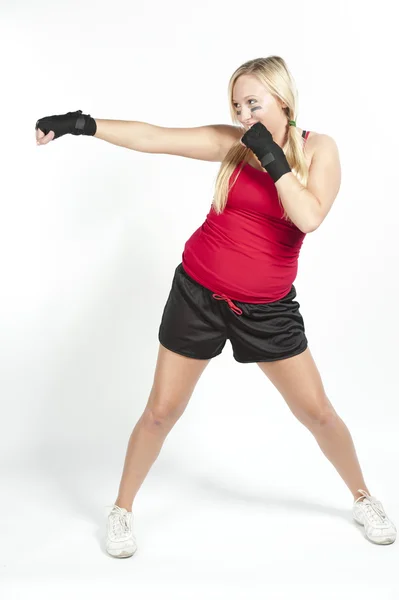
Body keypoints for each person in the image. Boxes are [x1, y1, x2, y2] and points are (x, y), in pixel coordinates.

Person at [35, 55, 396, 558]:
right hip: (198, 294)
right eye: (236, 104)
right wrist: (81, 125)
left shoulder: (320, 150)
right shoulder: (233, 145)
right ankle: (121, 509)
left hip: (267, 310)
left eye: (254, 102)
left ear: (283, 101)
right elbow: (155, 137)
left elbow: (309, 216)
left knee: (317, 412)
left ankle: (363, 497)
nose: (244, 114)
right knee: (161, 412)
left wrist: (272, 156)